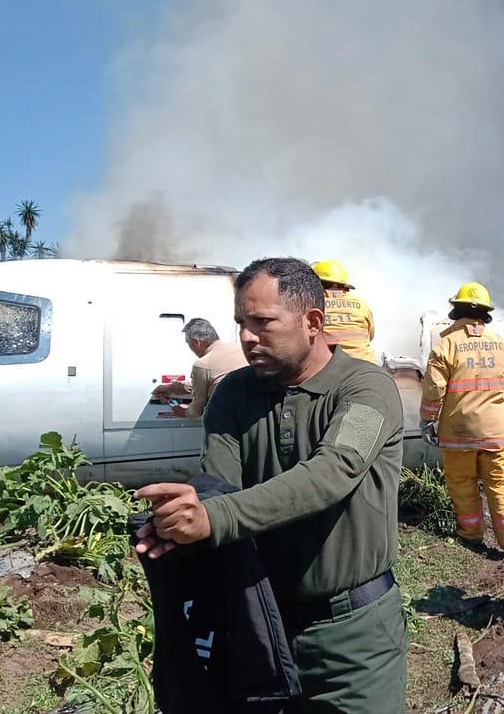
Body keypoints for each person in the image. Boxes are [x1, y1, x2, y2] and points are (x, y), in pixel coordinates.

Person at [134, 257, 407, 714]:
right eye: (241, 322)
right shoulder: (234, 394)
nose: (246, 336)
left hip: (353, 638)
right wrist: (180, 520)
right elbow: (220, 486)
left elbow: (332, 472)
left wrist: (214, 517)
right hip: (258, 623)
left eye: (263, 322)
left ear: (313, 322)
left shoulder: (367, 390)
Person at [420, 282, 504, 556]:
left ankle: (470, 534)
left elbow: (435, 390)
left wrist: (428, 420)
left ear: (456, 312)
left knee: (462, 484)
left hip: (458, 433)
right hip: (497, 434)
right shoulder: (502, 346)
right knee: (503, 484)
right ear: (486, 314)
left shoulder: (445, 346)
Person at [152, 318, 247, 418]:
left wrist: (181, 410)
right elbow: (210, 381)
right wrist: (173, 387)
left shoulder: (202, 365)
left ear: (197, 342)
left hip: (228, 422)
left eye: (189, 344)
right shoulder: (239, 349)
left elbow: (196, 411)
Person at [312, 259, 379, 365]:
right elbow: (370, 335)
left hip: (329, 368)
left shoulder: (310, 304)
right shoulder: (361, 303)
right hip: (366, 367)